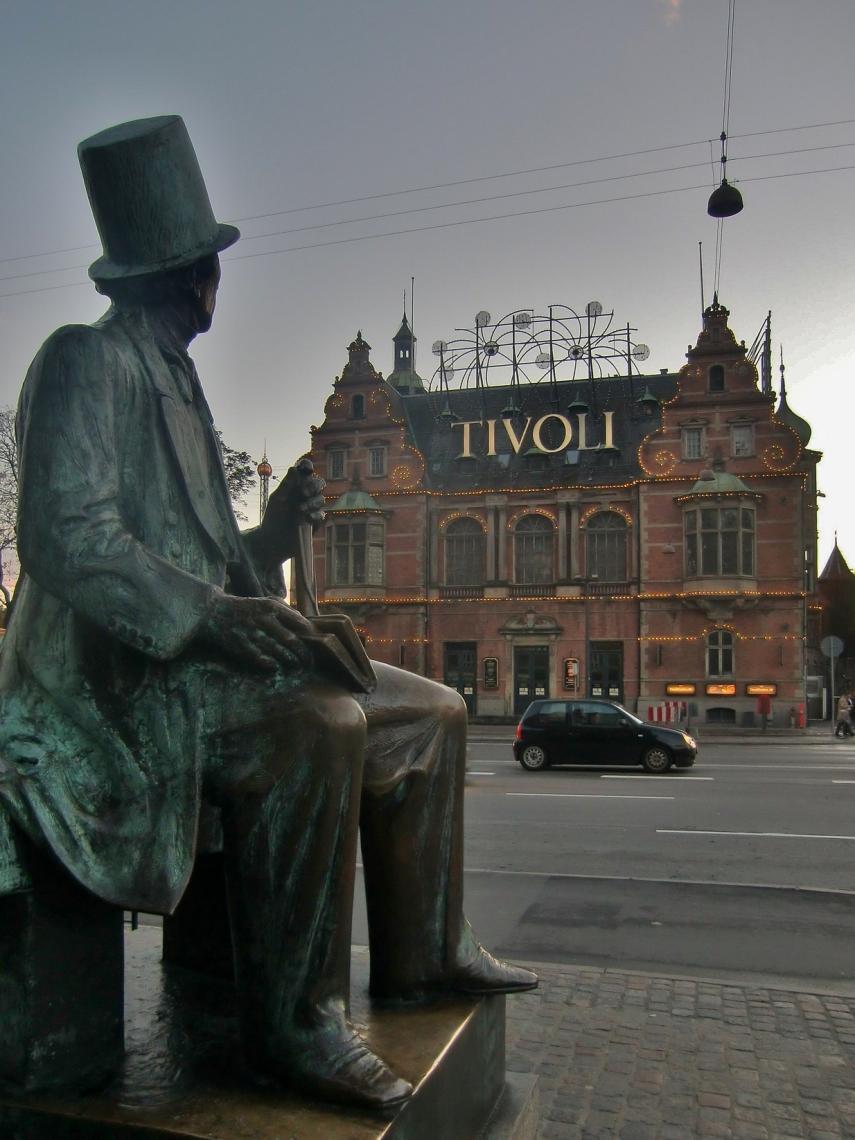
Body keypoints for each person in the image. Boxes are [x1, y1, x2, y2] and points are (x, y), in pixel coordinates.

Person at [0, 116, 535, 1111]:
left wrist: (275, 536)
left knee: (430, 712)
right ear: (188, 273)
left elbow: (211, 568)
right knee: (317, 727)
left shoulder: (182, 382)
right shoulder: (85, 361)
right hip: (117, 691)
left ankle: (427, 956)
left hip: (190, 660)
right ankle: (296, 1026)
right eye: (210, 263)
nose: (217, 282)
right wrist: (223, 618)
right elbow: (69, 539)